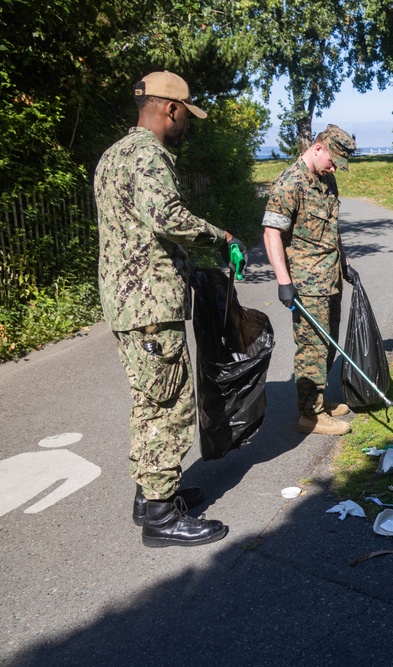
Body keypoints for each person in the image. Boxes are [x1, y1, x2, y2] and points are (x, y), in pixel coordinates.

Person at [95, 71, 243, 547]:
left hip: (126, 302)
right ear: (169, 108)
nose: (186, 125)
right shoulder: (149, 155)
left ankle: (152, 494)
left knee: (148, 399)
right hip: (149, 303)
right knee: (167, 403)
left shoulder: (112, 155)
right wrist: (219, 235)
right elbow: (168, 217)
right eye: (185, 115)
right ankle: (160, 516)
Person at [263, 124, 357, 436]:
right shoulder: (290, 183)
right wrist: (283, 282)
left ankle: (319, 400)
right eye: (332, 161)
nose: (335, 168)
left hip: (330, 276)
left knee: (327, 344)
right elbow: (271, 233)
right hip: (305, 282)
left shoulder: (326, 178)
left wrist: (343, 259)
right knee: (311, 347)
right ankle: (309, 415)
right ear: (317, 148)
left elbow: (332, 225)